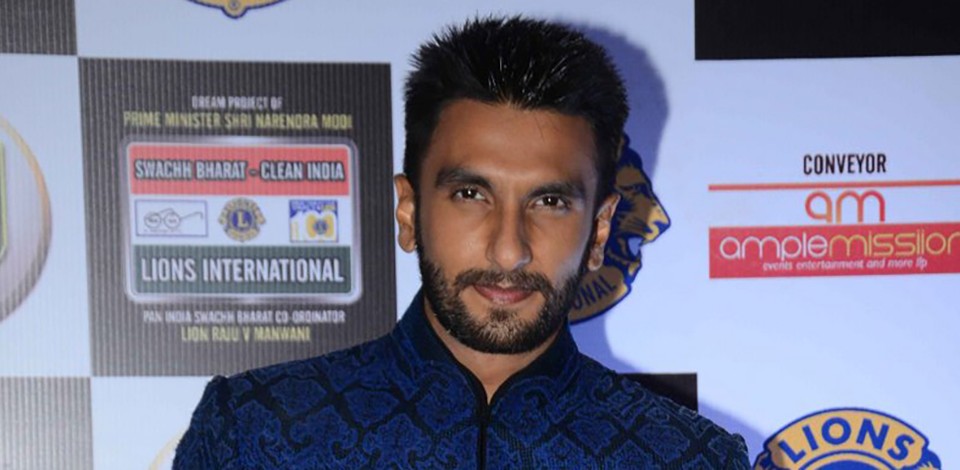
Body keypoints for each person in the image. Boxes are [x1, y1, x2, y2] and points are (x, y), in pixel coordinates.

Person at [174, 16, 750, 469]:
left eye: (549, 202)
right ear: (409, 212)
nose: (508, 250)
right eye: (471, 194)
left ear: (599, 231)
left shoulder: (690, 458)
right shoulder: (251, 432)